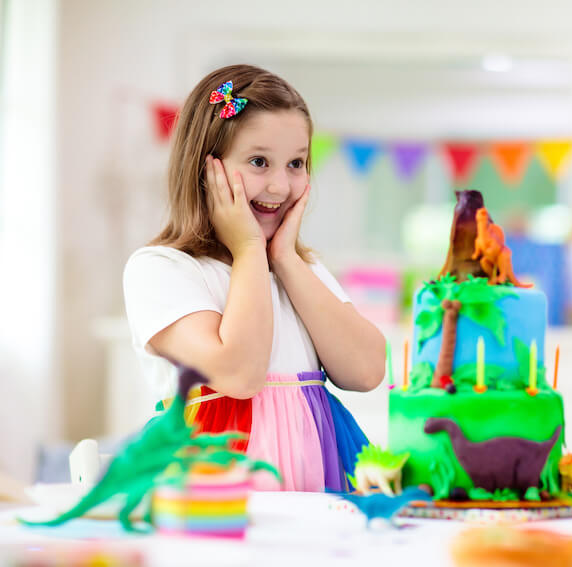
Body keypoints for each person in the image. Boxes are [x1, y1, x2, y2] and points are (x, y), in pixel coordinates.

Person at [123, 64, 385, 491]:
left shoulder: (302, 271)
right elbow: (240, 375)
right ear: (206, 168)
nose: (280, 186)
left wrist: (283, 258)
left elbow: (367, 370)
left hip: (314, 485)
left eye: (296, 163)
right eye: (259, 162)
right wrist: (248, 250)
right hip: (213, 492)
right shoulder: (162, 269)